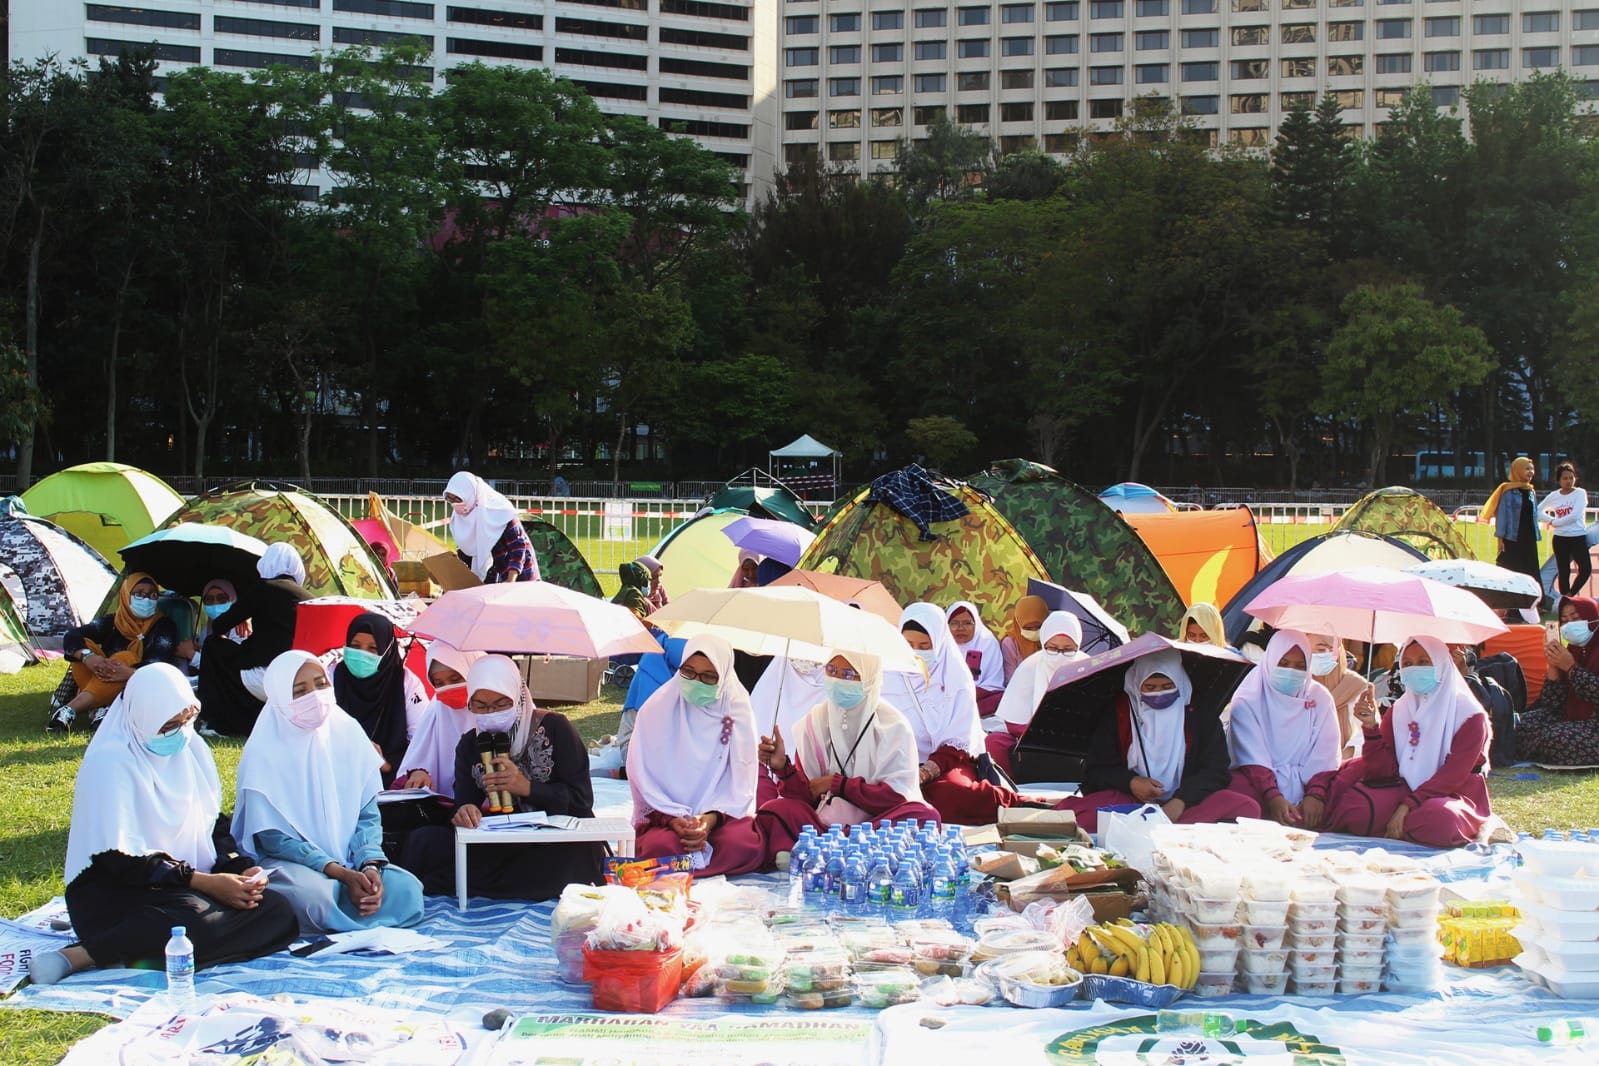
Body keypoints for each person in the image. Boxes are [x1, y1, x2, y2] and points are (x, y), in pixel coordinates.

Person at [29, 664, 298, 985]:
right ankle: (81, 955)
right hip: (117, 894)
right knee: (192, 919)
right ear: (143, 718)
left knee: (278, 911)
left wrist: (240, 868)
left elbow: (213, 825)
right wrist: (203, 882)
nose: (182, 732)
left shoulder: (191, 751)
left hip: (184, 887)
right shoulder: (112, 762)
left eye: (187, 720)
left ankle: (140, 954)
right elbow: (118, 859)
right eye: (169, 724)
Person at [232, 651, 424, 934]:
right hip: (296, 864)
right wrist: (338, 872)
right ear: (280, 697)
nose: (315, 695)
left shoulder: (348, 733)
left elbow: (367, 816)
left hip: (351, 859)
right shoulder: (264, 751)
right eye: (300, 691)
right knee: (314, 898)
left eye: (321, 684)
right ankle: (343, 909)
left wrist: (368, 866)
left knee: (407, 889)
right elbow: (273, 839)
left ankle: (355, 902)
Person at [402, 655, 604, 900]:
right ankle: (497, 883)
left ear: (517, 697)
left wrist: (528, 788)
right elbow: (464, 802)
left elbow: (581, 800)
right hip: (503, 841)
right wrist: (465, 811)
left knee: (570, 860)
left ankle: (470, 883)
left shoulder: (556, 727)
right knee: (424, 842)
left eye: (500, 704)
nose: (491, 713)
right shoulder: (470, 744)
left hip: (556, 842)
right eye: (481, 706)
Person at [757, 649, 940, 861]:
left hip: (876, 824)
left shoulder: (893, 727)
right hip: (824, 824)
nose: (837, 681)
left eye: (849, 675)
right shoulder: (814, 723)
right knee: (776, 808)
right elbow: (805, 795)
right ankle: (843, 853)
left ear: (870, 678)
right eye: (832, 671)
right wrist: (782, 768)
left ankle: (819, 851)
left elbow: (896, 799)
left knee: (925, 816)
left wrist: (837, 784)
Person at [1054, 650, 1260, 833]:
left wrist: (1181, 800)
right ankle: (1169, 830)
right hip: (1132, 804)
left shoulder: (1200, 712)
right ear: (1136, 685)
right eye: (1150, 687)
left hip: (1185, 807)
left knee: (1247, 807)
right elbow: (1096, 772)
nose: (1159, 694)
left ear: (1180, 681)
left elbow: (1216, 770)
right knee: (1076, 813)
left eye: (1168, 686)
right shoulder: (1119, 713)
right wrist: (1131, 782)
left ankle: (1150, 830)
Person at [1316, 635, 1493, 848]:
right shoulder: (1399, 711)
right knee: (1358, 810)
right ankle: (1403, 827)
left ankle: (1396, 825)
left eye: (1423, 662)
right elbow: (1384, 771)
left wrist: (1406, 807)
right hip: (1402, 789)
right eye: (1407, 664)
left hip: (1453, 795)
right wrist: (1371, 727)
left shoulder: (1469, 716)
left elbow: (1452, 776)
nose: (1414, 669)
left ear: (1440, 665)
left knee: (1441, 820)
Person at [626, 635, 766, 877]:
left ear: (722, 678)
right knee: (661, 846)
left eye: (708, 677)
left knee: (742, 842)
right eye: (688, 672)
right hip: (666, 817)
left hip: (719, 817)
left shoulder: (736, 711)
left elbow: (741, 781)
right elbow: (642, 776)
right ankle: (684, 861)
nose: (696, 681)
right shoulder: (656, 710)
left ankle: (680, 867)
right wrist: (671, 818)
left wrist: (710, 819)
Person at [887, 603, 1028, 823]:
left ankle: (1014, 803)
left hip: (948, 762)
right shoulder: (889, 675)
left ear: (940, 643)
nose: (915, 652)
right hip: (895, 763)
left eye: (924, 645)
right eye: (908, 644)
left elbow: (957, 742)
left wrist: (925, 772)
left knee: (950, 794)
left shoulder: (955, 678)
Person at [1225, 631, 1342, 827]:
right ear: (1270, 661)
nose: (1291, 671)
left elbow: (1326, 752)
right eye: (1284, 664)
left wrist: (1316, 794)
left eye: (1299, 666)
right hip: (1258, 784)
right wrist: (1273, 796)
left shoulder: (1319, 697)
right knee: (1239, 796)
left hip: (1309, 785)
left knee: (1350, 794)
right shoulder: (1248, 699)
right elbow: (1252, 756)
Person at [196, 543, 314, 736]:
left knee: (213, 646)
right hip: (297, 678)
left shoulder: (264, 588)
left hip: (260, 676)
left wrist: (243, 616)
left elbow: (219, 626)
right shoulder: (308, 598)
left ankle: (215, 721)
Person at [52, 572, 181, 732]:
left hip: (135, 683)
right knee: (83, 645)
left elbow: (155, 664)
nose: (147, 599)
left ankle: (70, 710)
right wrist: (89, 658)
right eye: (139, 594)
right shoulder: (114, 621)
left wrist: (129, 672)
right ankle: (103, 707)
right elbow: (72, 635)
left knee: (125, 657)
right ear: (126, 595)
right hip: (101, 674)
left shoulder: (164, 625)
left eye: (152, 595)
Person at [986, 612, 1087, 777]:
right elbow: (1012, 720)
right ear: (1043, 643)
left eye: (1068, 650)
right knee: (994, 743)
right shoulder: (1029, 667)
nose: (1059, 657)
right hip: (1031, 741)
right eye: (1053, 649)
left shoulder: (1088, 668)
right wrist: (1040, 732)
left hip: (1076, 743)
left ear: (1078, 646)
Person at [333, 612, 429, 777]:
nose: (362, 654)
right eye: (355, 646)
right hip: (338, 770)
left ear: (387, 651)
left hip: (391, 776)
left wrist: (385, 762)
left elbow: (421, 739)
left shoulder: (406, 682)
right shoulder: (332, 675)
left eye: (373, 648)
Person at [1516, 596, 1599, 766]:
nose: (1570, 624)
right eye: (1564, 621)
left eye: (1576, 618)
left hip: (1595, 725)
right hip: (1571, 719)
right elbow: (1553, 703)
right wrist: (1553, 666)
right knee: (1520, 724)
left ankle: (1530, 749)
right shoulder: (1574, 650)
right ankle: (1534, 749)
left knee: (1554, 738)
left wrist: (1570, 667)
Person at [396, 640, 485, 797]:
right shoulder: (435, 712)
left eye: (456, 678)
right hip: (444, 813)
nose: (448, 687)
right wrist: (417, 773)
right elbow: (412, 765)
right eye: (439, 683)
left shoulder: (502, 710)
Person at [445, 471, 539, 584]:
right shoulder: (461, 518)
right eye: (450, 500)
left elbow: (518, 548)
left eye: (458, 499)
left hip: (520, 576)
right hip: (492, 575)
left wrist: (510, 581)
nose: (454, 504)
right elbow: (467, 552)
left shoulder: (502, 512)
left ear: (470, 495)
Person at [1306, 627, 1373, 760]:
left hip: (1343, 768)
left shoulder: (1356, 686)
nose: (1327, 654)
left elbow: (1365, 734)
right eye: (1320, 649)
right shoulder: (1297, 685)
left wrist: (1339, 759)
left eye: (1332, 650)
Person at [1483, 456, 1542, 607]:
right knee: (1512, 570)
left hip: (1529, 538)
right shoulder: (1508, 492)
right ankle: (1510, 603)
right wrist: (1500, 539)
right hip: (1513, 537)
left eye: (1532, 469)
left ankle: (1532, 603)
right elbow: (1502, 515)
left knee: (1530, 569)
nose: (1530, 472)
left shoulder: (1530, 491)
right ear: (1517, 470)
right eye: (1527, 469)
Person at [946, 600, 1007, 716]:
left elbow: (993, 684)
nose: (960, 628)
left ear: (976, 624)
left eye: (967, 623)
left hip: (980, 698)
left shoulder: (987, 643)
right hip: (945, 698)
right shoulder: (942, 644)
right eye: (954, 623)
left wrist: (965, 695)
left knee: (999, 700)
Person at [1542, 462, 1591, 599]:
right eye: (1565, 478)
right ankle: (1565, 599)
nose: (1568, 481)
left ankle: (1571, 594)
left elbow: (1574, 515)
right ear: (1559, 480)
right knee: (1564, 571)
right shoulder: (1553, 496)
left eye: (1571, 478)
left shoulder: (1580, 493)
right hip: (1560, 539)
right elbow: (1539, 510)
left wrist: (1556, 522)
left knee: (1585, 569)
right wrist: (1550, 521)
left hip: (1578, 537)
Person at [999, 595, 1049, 683]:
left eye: (1039, 626)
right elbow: (1011, 679)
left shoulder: (1052, 639)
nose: (1034, 631)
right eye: (1028, 628)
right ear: (1018, 623)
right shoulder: (1010, 643)